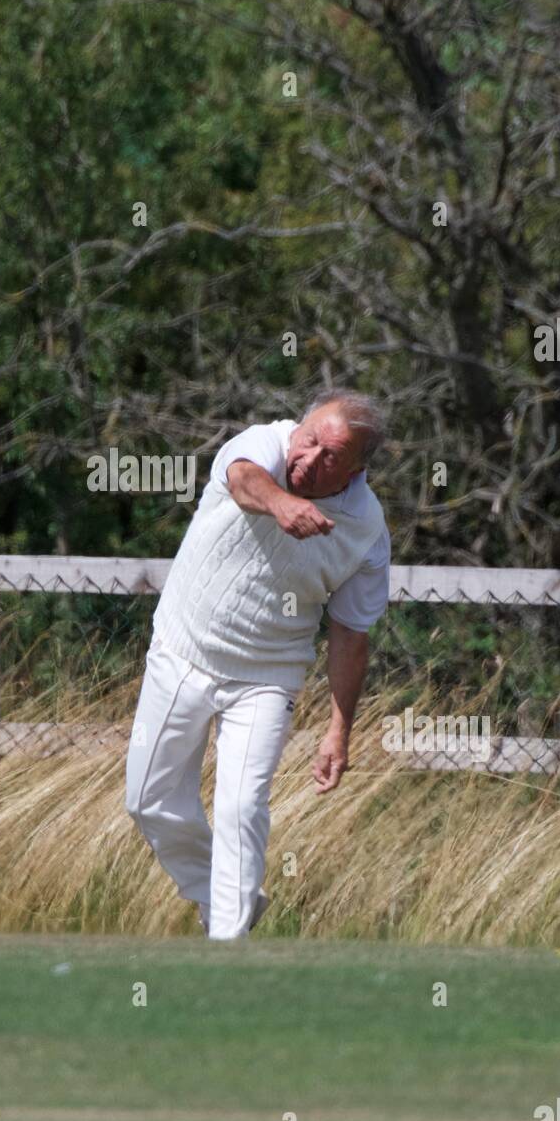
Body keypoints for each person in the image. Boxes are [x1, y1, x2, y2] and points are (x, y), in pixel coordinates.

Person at [125, 389, 390, 939]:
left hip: (267, 678)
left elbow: (350, 632)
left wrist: (339, 731)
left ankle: (229, 939)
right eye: (311, 441)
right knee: (148, 801)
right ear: (300, 426)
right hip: (183, 651)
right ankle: (226, 898)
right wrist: (281, 503)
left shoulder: (366, 529)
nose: (311, 460)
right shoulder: (263, 444)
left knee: (241, 809)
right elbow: (243, 478)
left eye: (333, 457)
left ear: (358, 471)